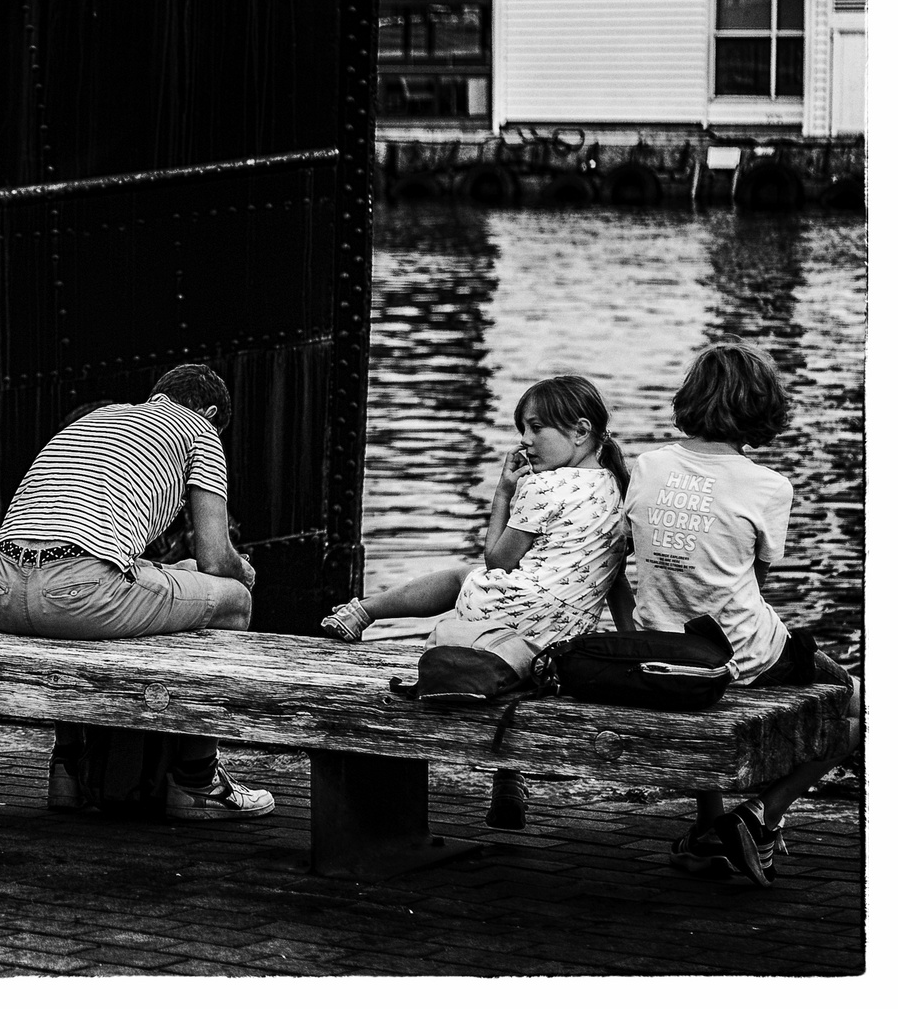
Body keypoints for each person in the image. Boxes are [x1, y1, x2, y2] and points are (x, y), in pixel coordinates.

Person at [320, 376, 631, 829]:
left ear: (580, 432)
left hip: (505, 622)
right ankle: (509, 779)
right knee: (513, 673)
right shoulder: (620, 489)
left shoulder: (543, 487)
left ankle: (362, 611)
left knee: (466, 576)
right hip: (565, 645)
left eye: (535, 427)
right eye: (521, 428)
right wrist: (634, 644)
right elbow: (616, 578)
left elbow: (499, 559)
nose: (524, 440)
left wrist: (504, 492)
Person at [0, 364, 270, 820]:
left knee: (179, 575)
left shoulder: (101, 418)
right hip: (78, 591)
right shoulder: (200, 430)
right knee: (232, 601)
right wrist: (242, 572)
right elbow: (214, 558)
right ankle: (197, 780)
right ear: (209, 412)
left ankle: (69, 768)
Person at [620, 342, 862, 888]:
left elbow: (639, 556)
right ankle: (761, 817)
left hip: (667, 651)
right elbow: (755, 587)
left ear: (690, 399)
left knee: (700, 657)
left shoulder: (649, 465)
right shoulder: (770, 487)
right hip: (743, 653)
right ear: (762, 408)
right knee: (858, 709)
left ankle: (710, 834)